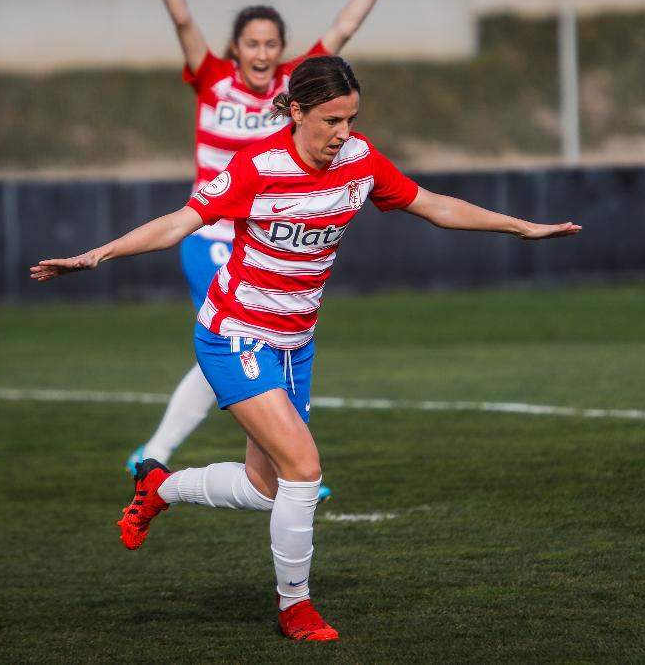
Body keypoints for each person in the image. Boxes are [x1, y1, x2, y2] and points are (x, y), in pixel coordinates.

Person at [32, 55, 580, 640]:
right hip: (233, 333)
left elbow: (433, 205)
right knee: (304, 468)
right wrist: (96, 255)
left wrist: (522, 227)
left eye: (351, 119)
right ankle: (295, 607)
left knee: (266, 487)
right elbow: (178, 223)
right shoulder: (257, 165)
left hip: (296, 343)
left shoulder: (361, 160)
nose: (342, 133)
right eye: (330, 120)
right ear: (296, 112)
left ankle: (159, 485)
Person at [125, 0, 404, 488]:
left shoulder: (298, 90)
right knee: (234, 338)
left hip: (267, 235)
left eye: (271, 43)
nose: (261, 51)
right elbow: (182, 18)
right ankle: (164, 454)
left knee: (260, 343)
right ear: (235, 48)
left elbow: (342, 30)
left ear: (282, 51)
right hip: (212, 236)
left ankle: (272, 460)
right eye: (251, 42)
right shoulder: (212, 80)